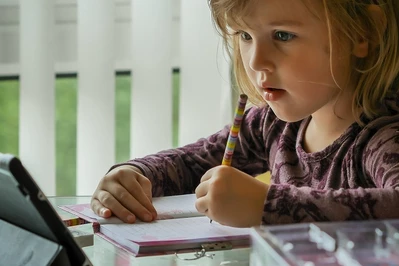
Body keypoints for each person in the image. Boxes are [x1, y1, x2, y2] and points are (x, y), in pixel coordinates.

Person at [91, 0, 399, 227]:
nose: (255, 61)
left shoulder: (385, 136)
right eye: (245, 36)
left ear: (363, 34)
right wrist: (135, 175)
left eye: (282, 35)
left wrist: (267, 205)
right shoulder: (272, 124)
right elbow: (190, 163)